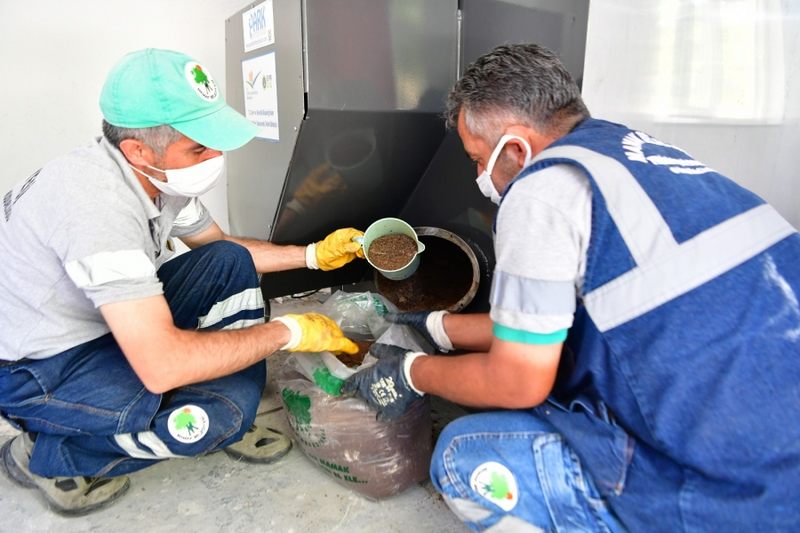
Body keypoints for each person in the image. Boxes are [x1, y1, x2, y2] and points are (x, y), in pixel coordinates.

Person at [343, 43, 800, 531]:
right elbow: (544, 323)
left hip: (745, 494)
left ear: (515, 150)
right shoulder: (635, 153)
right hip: (772, 421)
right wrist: (437, 326)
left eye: (478, 160)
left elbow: (517, 380)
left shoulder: (542, 190)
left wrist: (414, 372)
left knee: (462, 457)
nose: (479, 176)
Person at [0, 48, 365, 516]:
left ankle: (235, 402)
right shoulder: (95, 209)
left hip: (98, 323)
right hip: (37, 368)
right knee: (214, 417)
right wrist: (288, 332)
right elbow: (163, 367)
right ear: (138, 149)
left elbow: (222, 246)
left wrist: (313, 256)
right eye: (198, 148)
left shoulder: (155, 178)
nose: (214, 156)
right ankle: (49, 454)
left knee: (226, 260)